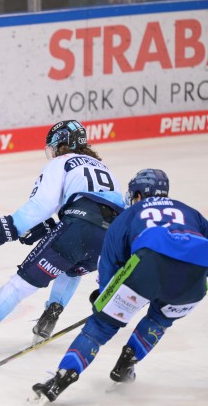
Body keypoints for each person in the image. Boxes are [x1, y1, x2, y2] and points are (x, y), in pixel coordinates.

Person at [31, 169, 208, 403]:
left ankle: (62, 378)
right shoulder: (190, 212)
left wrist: (106, 297)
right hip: (195, 276)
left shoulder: (130, 214)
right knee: (159, 320)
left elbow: (109, 262)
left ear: (138, 194)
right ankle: (126, 365)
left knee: (101, 327)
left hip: (148, 265)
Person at [0, 120, 124, 352]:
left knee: (20, 285)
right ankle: (52, 312)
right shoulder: (106, 171)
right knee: (71, 267)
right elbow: (98, 209)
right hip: (109, 241)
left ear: (62, 144)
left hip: (76, 229)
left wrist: (9, 227)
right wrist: (52, 226)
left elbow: (43, 204)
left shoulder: (62, 162)